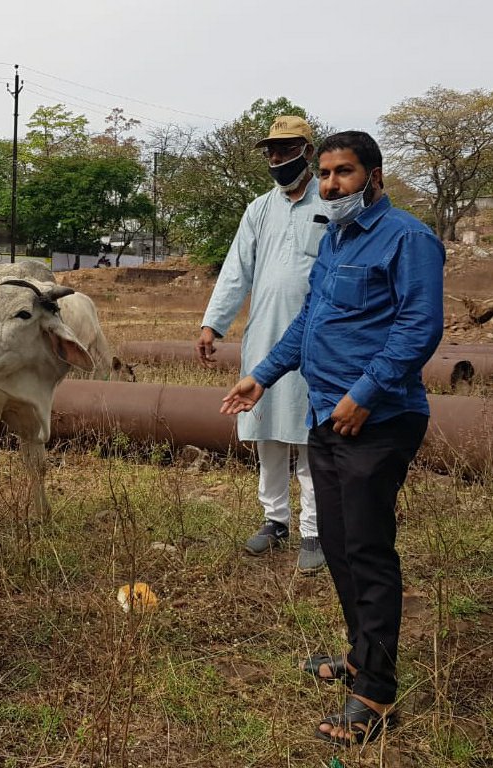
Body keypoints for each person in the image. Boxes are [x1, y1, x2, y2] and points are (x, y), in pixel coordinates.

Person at [221, 131, 445, 744]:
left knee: (368, 550)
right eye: (323, 175)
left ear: (373, 176)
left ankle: (374, 695)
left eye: (343, 173)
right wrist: (261, 377)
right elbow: (308, 322)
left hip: (378, 419)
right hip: (326, 413)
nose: (329, 185)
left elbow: (420, 326)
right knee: (341, 546)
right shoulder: (335, 237)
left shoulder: (409, 238)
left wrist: (365, 393)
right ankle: (358, 656)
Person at [197, 115, 325, 573]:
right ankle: (275, 520)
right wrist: (214, 323)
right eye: (271, 150)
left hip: (316, 338)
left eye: (286, 149)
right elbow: (237, 270)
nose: (276, 158)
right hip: (265, 335)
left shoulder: (330, 203)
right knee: (267, 429)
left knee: (310, 435)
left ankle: (315, 529)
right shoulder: (259, 209)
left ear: (307, 151)